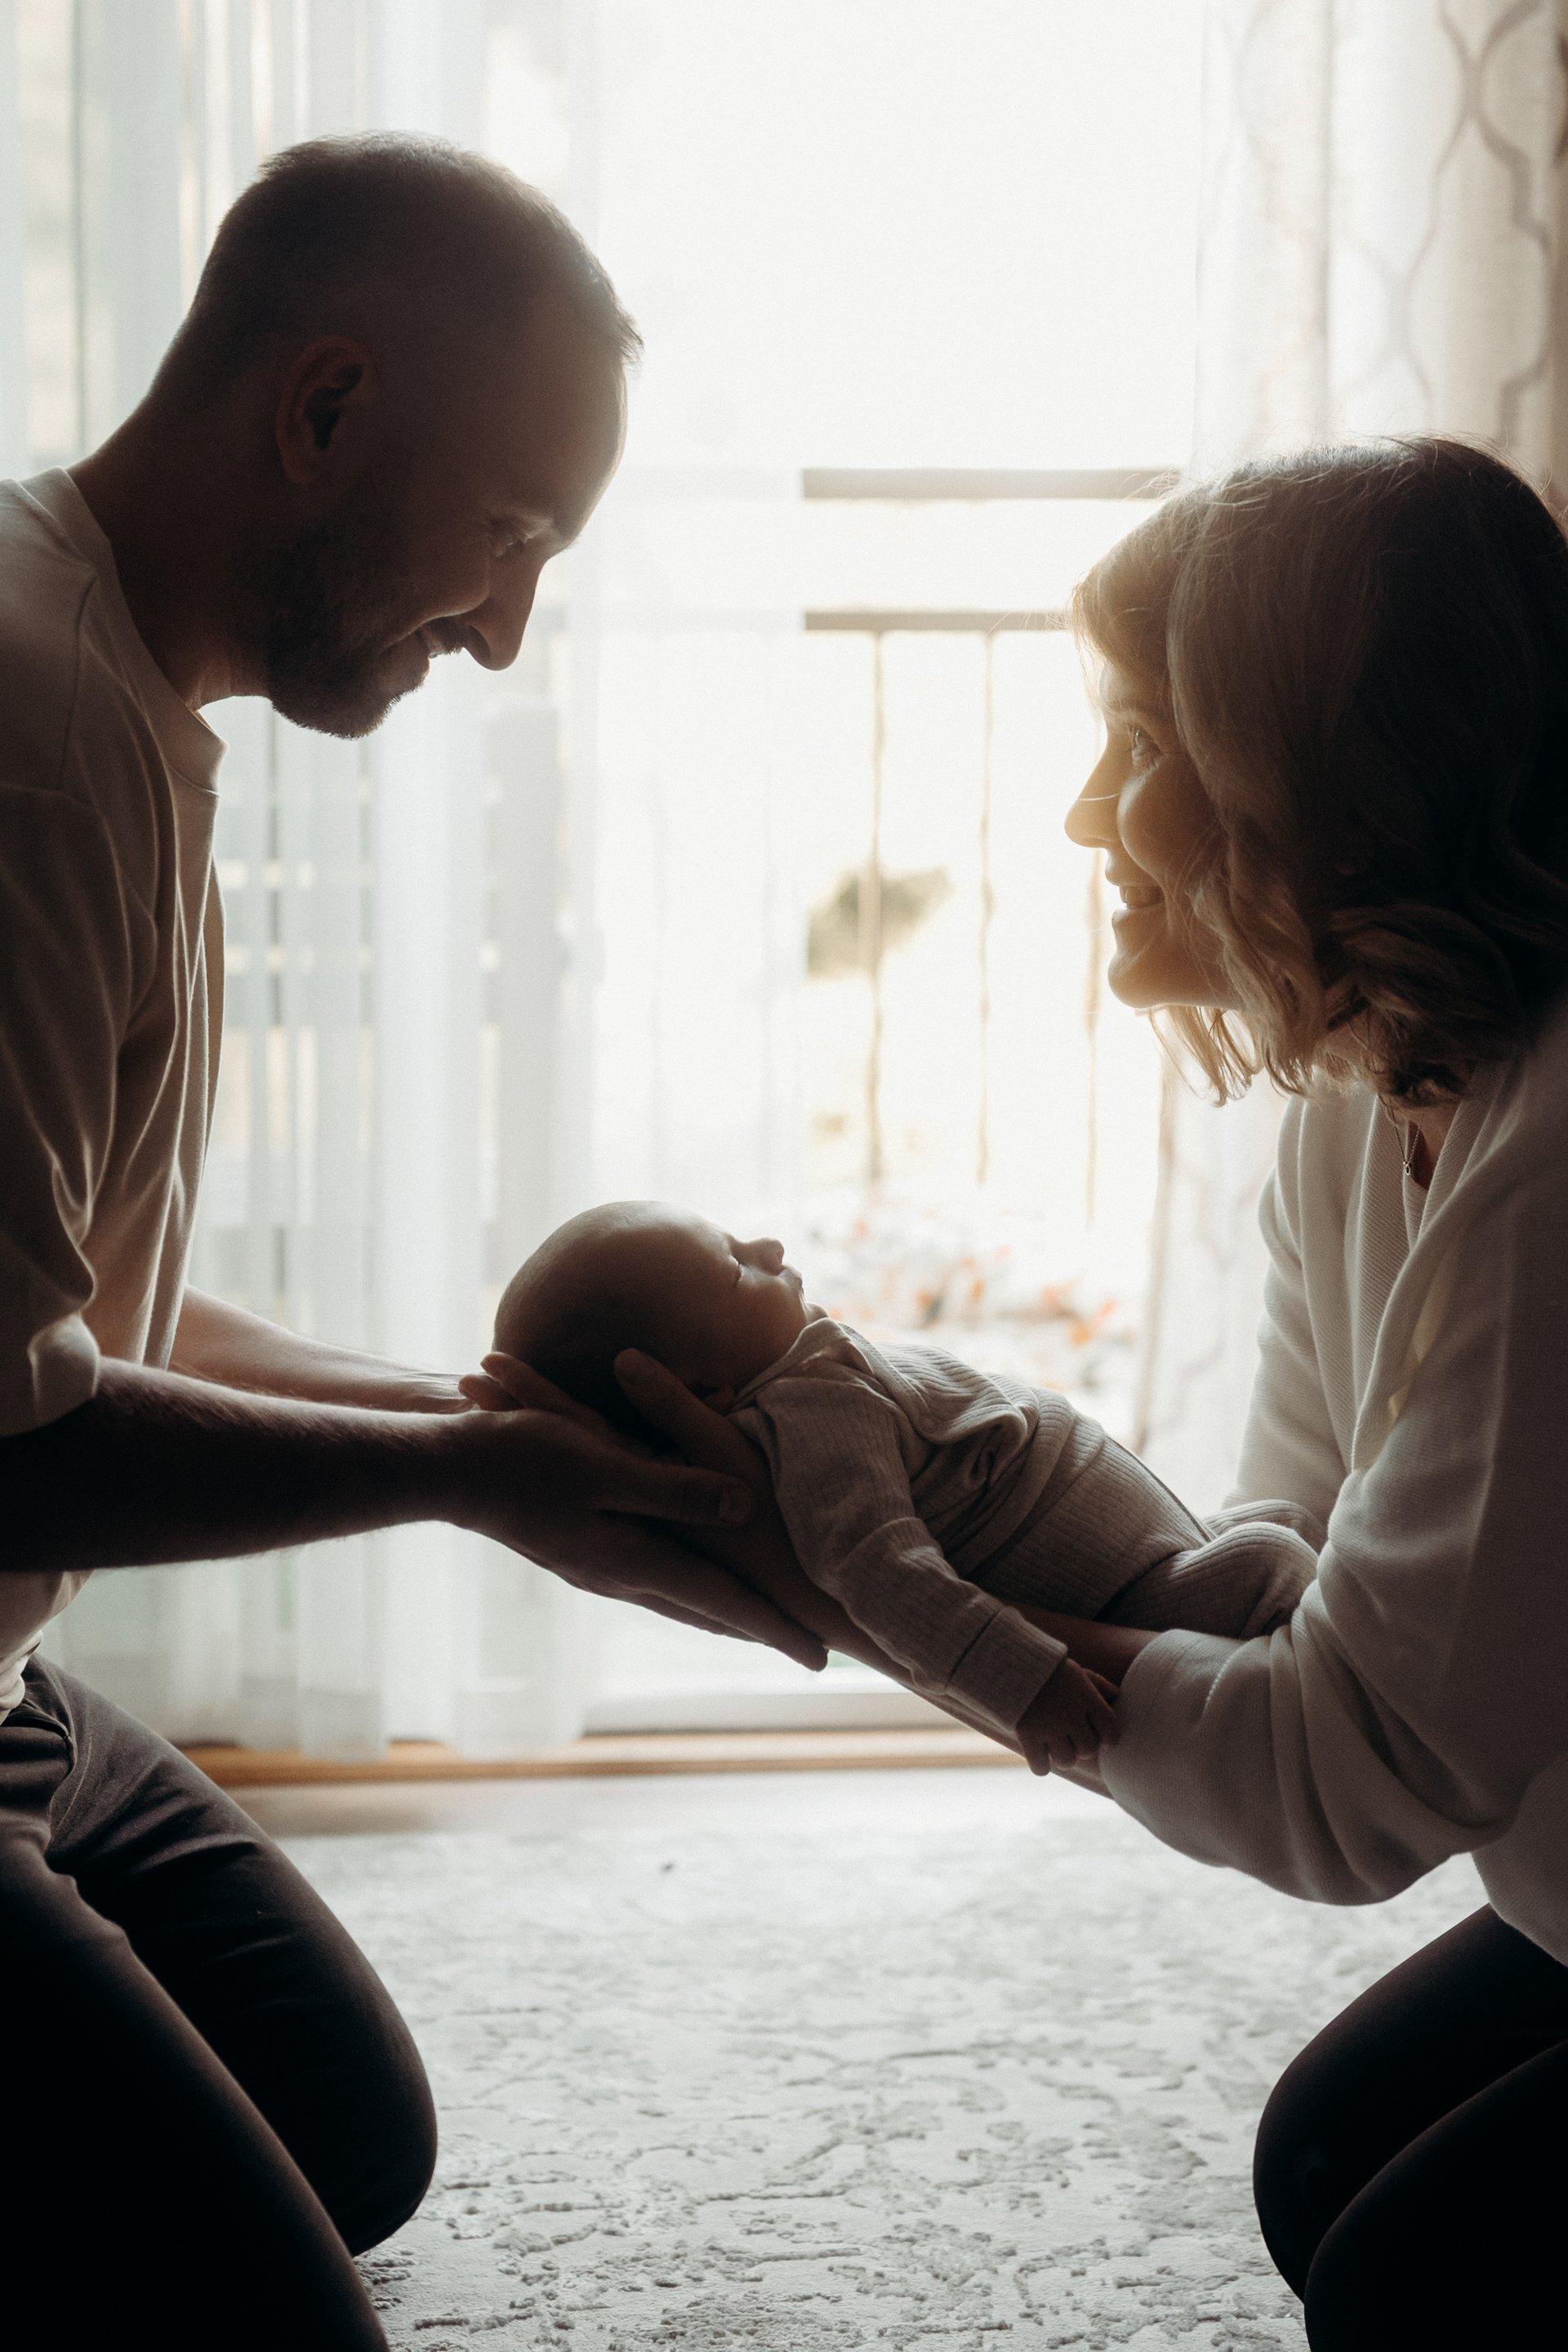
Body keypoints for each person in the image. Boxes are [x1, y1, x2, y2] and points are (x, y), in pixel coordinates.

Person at [501, 436, 1568, 2349]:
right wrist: (911, 1501)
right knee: (1318, 2171)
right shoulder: (1356, 1095)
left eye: (1137, 742)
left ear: (1307, 793)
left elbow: (1343, 1789)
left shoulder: (1546, 1183)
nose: (1090, 818)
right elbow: (1293, 1560)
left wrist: (865, 1582)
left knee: (1405, 2279)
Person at [0, 133, 830, 2352]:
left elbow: (80, 1326)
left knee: (353, 2140)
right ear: (329, 411)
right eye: (511, 534)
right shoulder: (40, 738)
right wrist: (475, 1485)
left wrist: (478, 1417)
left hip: (5, 1692)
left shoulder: (112, 678)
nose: (505, 624)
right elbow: (7, 1448)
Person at [486, 1199, 1313, 1771]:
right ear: (703, 1393)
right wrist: (1023, 1682)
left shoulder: (806, 1383)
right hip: (1142, 1594)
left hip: (1157, 1555)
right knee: (1274, 1554)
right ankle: (1342, 1680)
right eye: (737, 1269)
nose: (770, 1249)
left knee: (1282, 1523)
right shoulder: (808, 1418)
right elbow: (883, 1576)